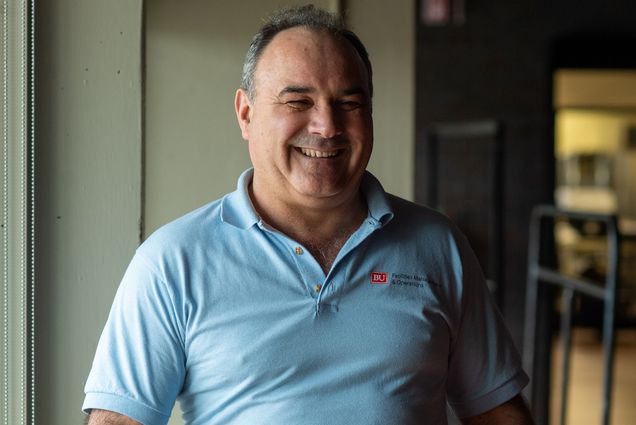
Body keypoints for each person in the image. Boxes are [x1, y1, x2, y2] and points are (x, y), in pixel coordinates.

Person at [83, 5, 534, 425]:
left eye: (349, 103)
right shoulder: (171, 262)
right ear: (246, 113)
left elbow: (499, 412)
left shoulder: (437, 246)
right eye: (298, 103)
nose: (327, 126)